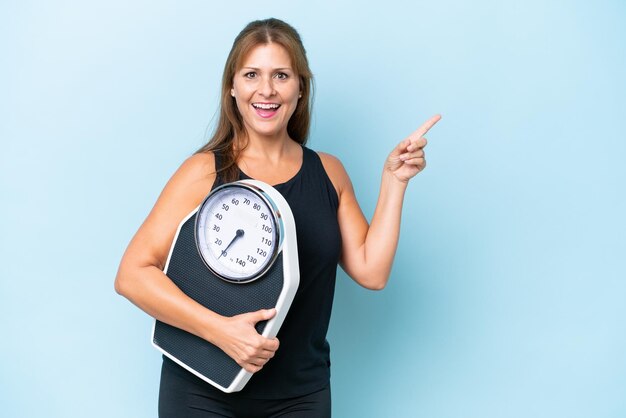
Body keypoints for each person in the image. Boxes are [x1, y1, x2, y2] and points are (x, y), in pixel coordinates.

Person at [115, 17, 440, 418]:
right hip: (202, 391)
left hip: (301, 396)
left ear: (300, 87)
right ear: (232, 87)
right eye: (251, 74)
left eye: (281, 75)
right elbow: (132, 274)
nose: (266, 90)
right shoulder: (204, 171)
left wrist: (394, 182)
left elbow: (372, 272)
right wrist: (221, 333)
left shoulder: (329, 173)